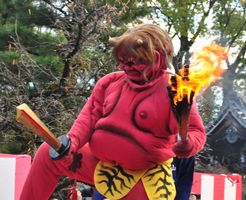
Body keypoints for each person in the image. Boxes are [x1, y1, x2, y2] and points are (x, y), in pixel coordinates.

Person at [20, 24, 206, 200]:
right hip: (101, 163)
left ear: (156, 57)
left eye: (133, 63)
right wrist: (73, 142)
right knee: (48, 151)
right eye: (122, 62)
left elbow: (196, 132)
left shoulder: (175, 90)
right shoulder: (109, 82)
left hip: (143, 175)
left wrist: (188, 144)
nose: (125, 67)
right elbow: (88, 119)